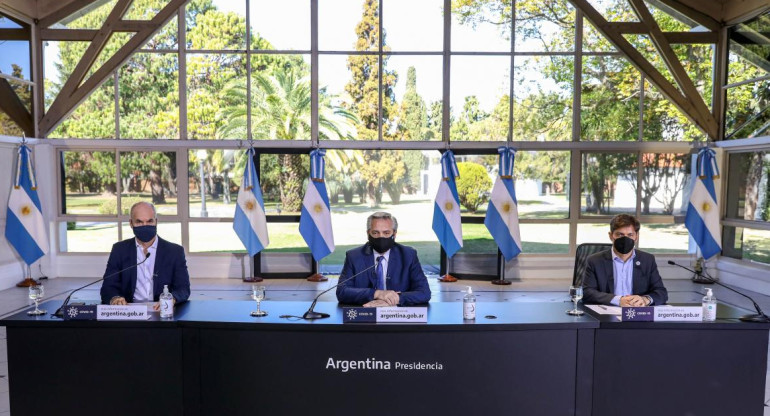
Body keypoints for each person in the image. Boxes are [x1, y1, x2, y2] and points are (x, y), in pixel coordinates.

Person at [100, 201, 190, 308]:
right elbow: (108, 287)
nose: (145, 226)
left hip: (163, 311)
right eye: (139, 222)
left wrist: (171, 300)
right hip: (130, 312)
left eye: (149, 221)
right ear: (131, 223)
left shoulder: (175, 251)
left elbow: (183, 288)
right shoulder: (119, 250)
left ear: (156, 222)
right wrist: (115, 298)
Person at [336, 212, 431, 307]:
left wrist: (395, 298)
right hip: (365, 313)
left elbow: (424, 292)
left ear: (394, 234)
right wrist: (377, 294)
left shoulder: (408, 255)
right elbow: (342, 291)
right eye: (375, 233)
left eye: (386, 233)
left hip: (398, 316)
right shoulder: (354, 256)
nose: (381, 237)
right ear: (368, 233)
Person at [582, 214, 668, 307]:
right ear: (611, 236)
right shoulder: (595, 261)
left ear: (636, 237)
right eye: (620, 234)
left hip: (638, 314)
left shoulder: (647, 260)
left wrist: (645, 299)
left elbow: (661, 292)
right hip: (607, 314)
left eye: (630, 235)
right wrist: (618, 300)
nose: (625, 239)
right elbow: (587, 292)